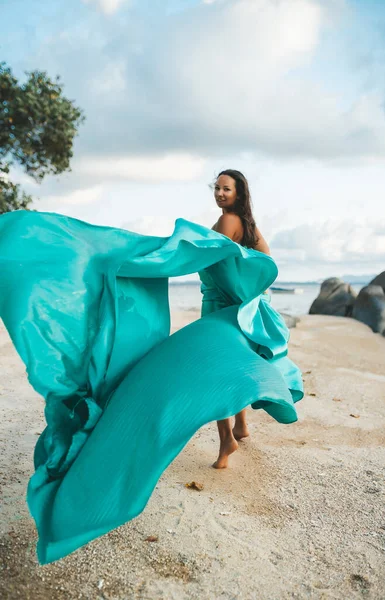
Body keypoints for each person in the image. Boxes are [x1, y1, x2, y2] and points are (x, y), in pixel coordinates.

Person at [204, 169, 270, 469]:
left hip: (219, 306)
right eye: (216, 188)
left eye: (226, 189)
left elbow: (205, 256)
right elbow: (266, 260)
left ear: (238, 193)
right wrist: (245, 292)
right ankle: (241, 426)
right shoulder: (247, 224)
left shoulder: (229, 221)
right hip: (234, 308)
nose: (220, 193)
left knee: (216, 374)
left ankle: (226, 440)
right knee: (233, 367)